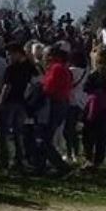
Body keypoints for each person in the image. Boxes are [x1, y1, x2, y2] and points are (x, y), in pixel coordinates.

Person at [34, 46, 72, 176]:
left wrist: (39, 88)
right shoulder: (59, 68)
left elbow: (49, 88)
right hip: (59, 103)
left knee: (45, 138)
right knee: (44, 138)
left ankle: (61, 166)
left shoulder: (56, 69)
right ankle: (40, 166)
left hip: (55, 105)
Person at [0, 42, 37, 170]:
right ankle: (19, 159)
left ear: (17, 53)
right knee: (18, 133)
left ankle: (5, 160)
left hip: (10, 102)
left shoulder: (11, 69)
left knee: (4, 133)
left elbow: (7, 86)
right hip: (22, 102)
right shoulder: (29, 67)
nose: (8, 57)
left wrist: (0, 101)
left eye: (10, 54)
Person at [82, 48, 106, 169]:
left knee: (89, 133)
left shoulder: (95, 73)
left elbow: (86, 88)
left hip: (95, 105)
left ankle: (89, 158)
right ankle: (99, 160)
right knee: (103, 135)